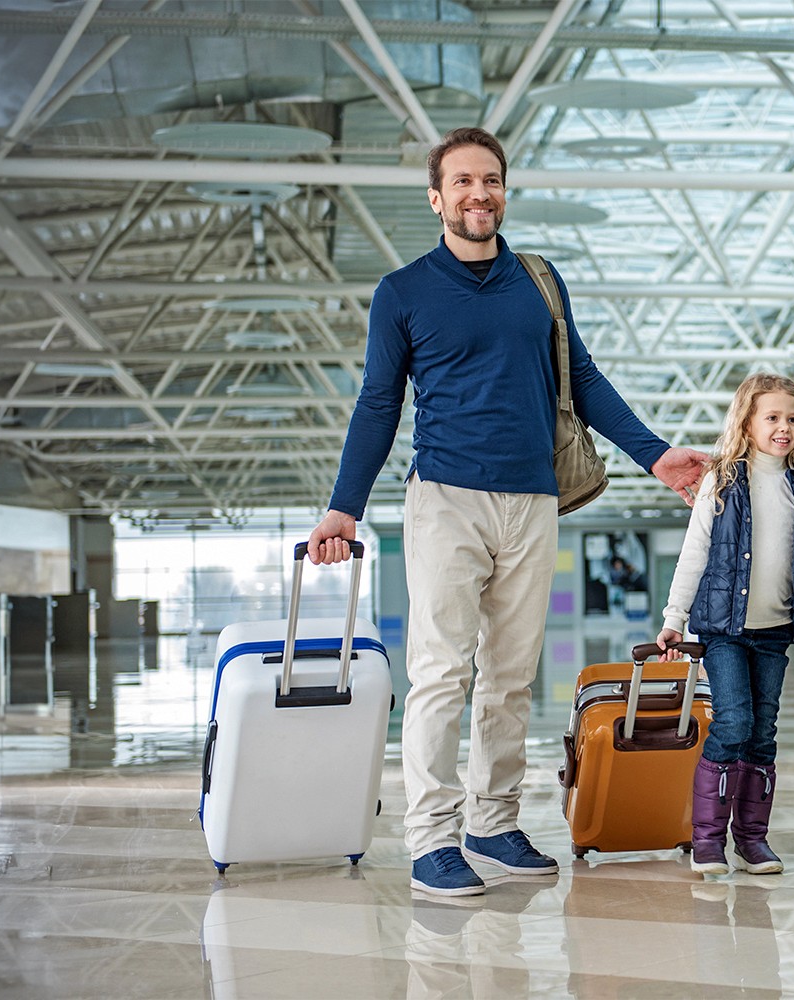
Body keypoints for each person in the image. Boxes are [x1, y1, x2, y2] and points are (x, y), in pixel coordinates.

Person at [306, 127, 706, 897]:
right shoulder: (403, 292)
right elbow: (377, 404)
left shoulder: (540, 281)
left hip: (534, 500)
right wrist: (342, 508)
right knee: (440, 674)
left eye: (489, 180)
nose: (477, 194)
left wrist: (653, 452)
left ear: (503, 191)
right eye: (461, 182)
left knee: (511, 678)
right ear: (436, 197)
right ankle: (430, 839)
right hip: (446, 500)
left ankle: (492, 823)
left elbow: (581, 378)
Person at [656, 372, 794, 876]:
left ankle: (752, 840)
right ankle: (707, 841)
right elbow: (694, 553)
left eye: (792, 418)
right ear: (747, 423)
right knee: (734, 723)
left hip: (774, 632)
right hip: (722, 629)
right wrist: (674, 618)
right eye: (772, 417)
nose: (784, 427)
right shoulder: (721, 481)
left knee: (763, 734)